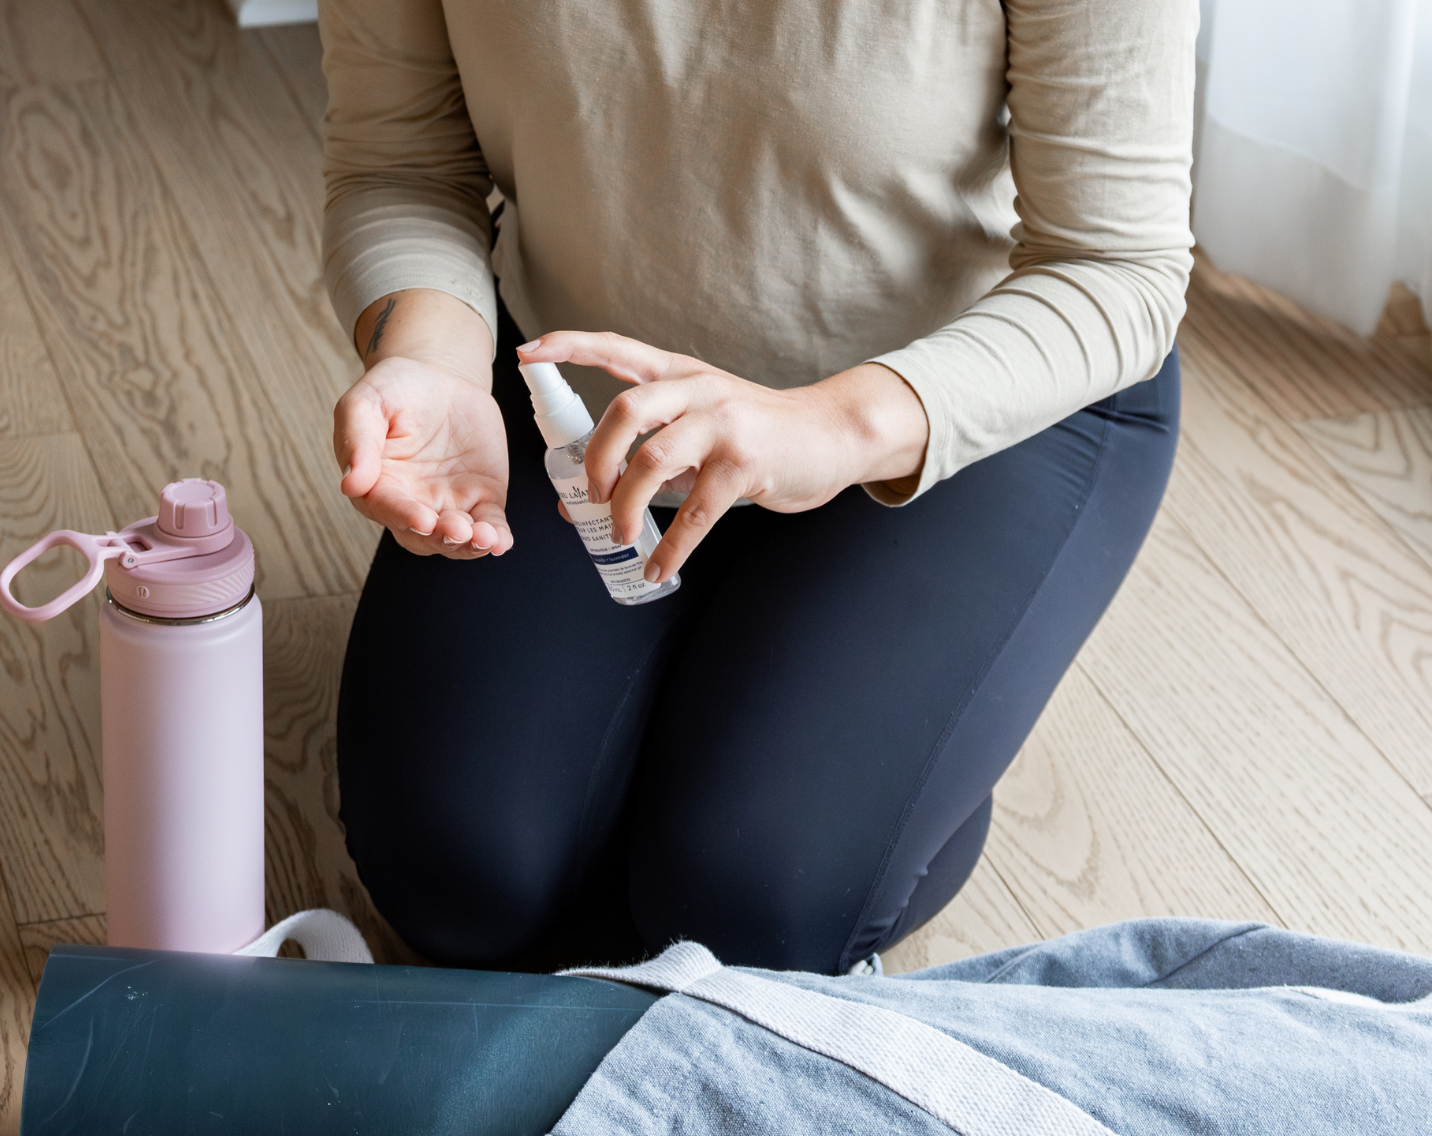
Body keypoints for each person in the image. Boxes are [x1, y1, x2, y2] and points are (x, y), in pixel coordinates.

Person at [320, 0, 1194, 975]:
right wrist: (434, 360)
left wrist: (833, 426)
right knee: (458, 875)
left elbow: (1116, 267)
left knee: (746, 905)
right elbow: (402, 168)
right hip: (586, 396)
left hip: (956, 402)